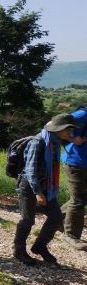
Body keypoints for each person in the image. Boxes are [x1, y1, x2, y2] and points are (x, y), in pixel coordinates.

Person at [13, 114, 78, 265]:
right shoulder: (38, 143)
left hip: (46, 186)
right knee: (27, 220)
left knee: (56, 217)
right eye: (68, 130)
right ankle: (19, 250)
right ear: (59, 129)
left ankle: (39, 246)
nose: (70, 133)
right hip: (29, 186)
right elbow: (30, 171)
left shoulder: (54, 142)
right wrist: (38, 193)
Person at [60, 107, 87, 251]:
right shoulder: (82, 115)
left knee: (81, 198)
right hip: (75, 163)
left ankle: (58, 218)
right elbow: (52, 125)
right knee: (78, 200)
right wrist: (72, 139)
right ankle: (70, 235)